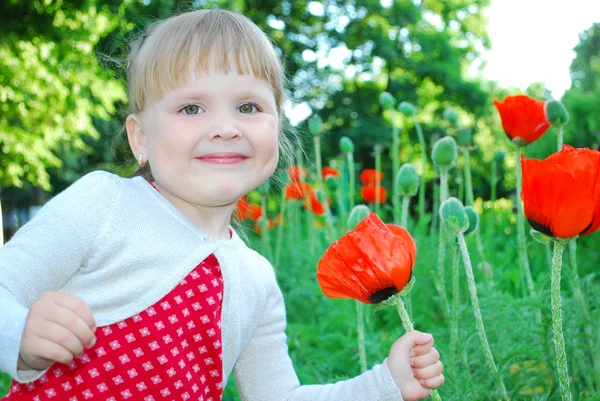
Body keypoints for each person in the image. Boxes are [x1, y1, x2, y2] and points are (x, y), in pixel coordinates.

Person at [0, 9, 444, 401]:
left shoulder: (255, 280)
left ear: (279, 129)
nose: (225, 127)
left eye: (248, 106)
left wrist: (385, 383)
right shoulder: (104, 204)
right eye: (192, 108)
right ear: (141, 139)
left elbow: (279, 397)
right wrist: (18, 335)